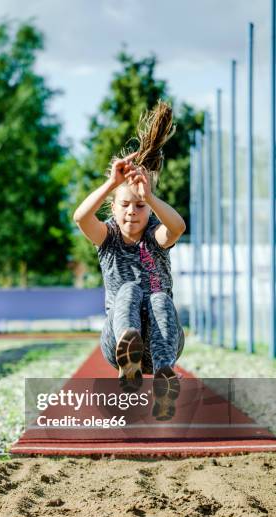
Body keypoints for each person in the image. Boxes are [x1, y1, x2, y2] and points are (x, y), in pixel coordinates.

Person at [73, 101, 185, 420]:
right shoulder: (107, 237)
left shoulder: (155, 235)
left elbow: (177, 227)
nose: (131, 213)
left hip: (162, 341)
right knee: (129, 291)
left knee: (160, 298)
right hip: (117, 343)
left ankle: (164, 379)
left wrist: (148, 194)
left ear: (149, 209)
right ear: (114, 206)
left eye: (139, 206)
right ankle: (128, 354)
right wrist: (111, 183)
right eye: (124, 205)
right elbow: (81, 218)